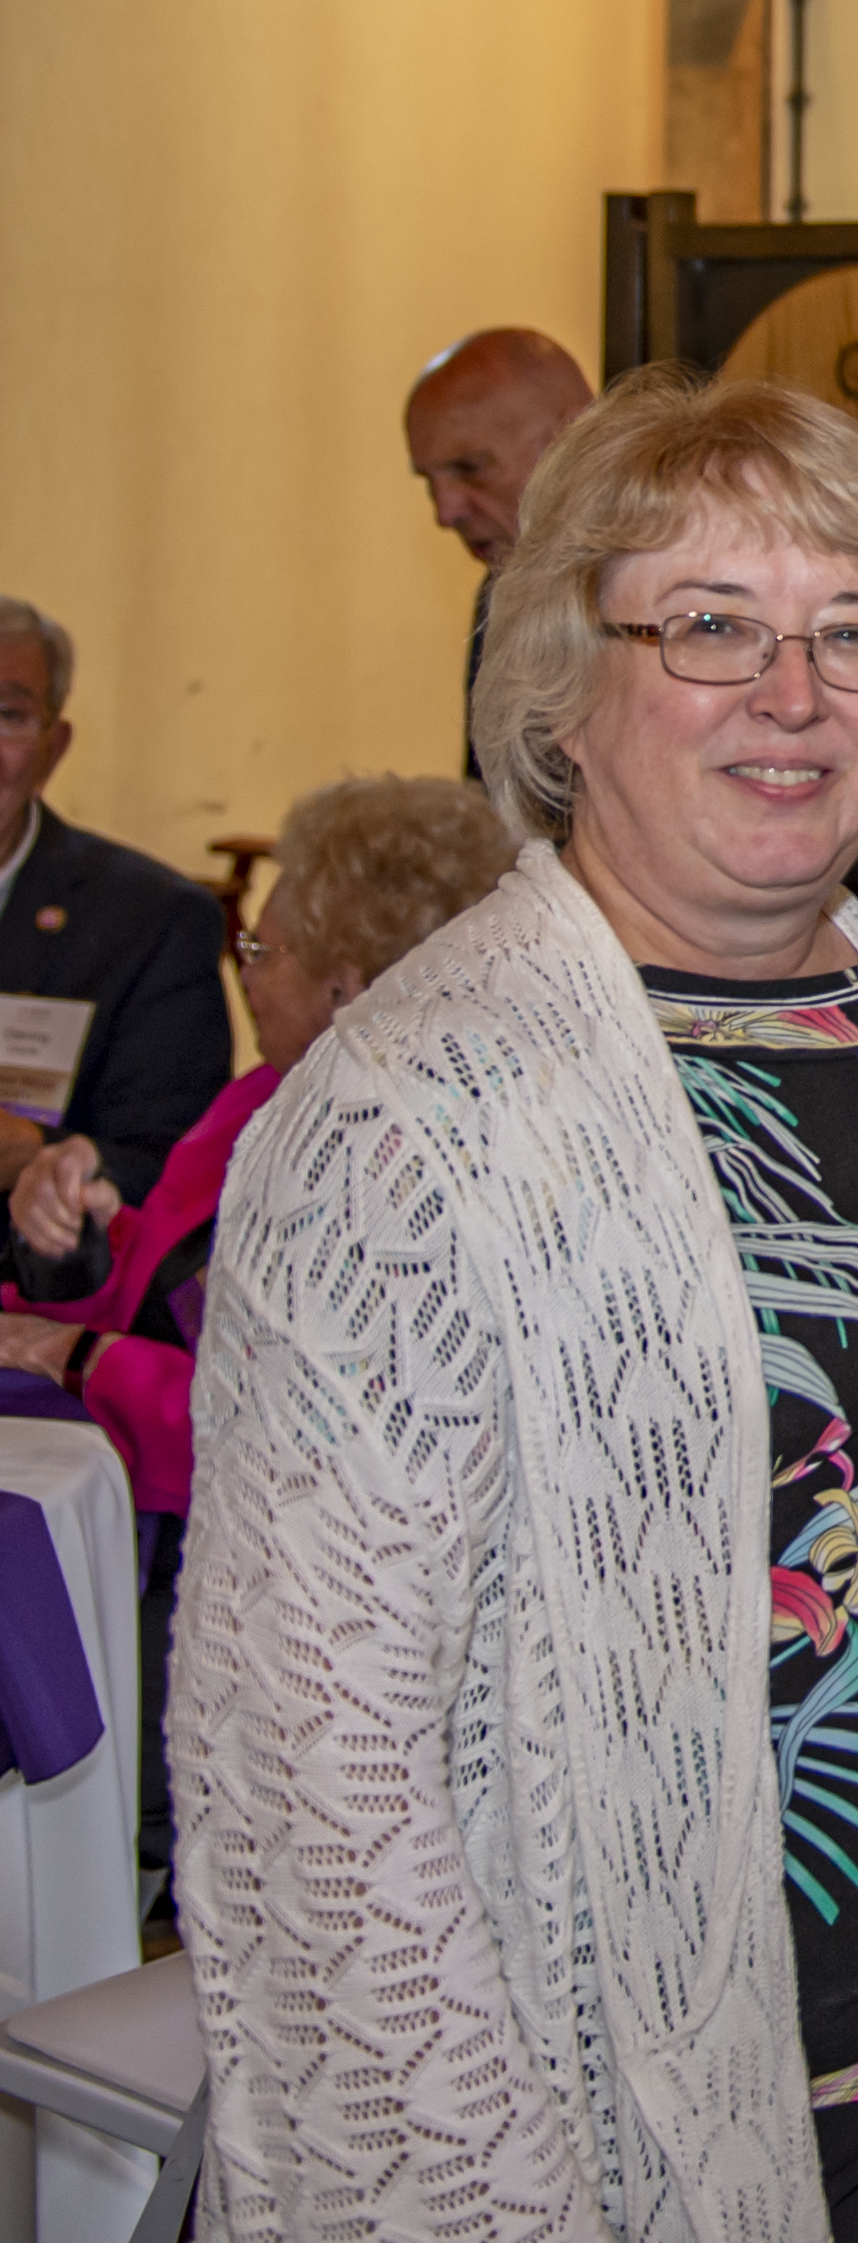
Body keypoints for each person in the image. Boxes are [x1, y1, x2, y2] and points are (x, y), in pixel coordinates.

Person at [173, 370, 858, 2240]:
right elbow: (313, 1779)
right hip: (598, 2127)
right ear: (560, 691)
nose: (793, 693)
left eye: (856, 632)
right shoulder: (406, 1114)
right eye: (708, 626)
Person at [0, 773, 511, 1907]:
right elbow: (153, 1290)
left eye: (263, 946)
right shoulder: (259, 1103)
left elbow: (286, 1432)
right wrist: (72, 1234)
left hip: (292, 1633)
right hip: (188, 1564)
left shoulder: (392, 1166)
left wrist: (81, 1363)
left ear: (347, 983)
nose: (245, 968)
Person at [0, 598, 231, 1202]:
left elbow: (175, 1172)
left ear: (55, 745)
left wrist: (36, 1157)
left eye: (7, 714)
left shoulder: (152, 923)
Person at [406, 325, 595, 773]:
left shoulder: (667, 583)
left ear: (571, 436)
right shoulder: (501, 595)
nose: (445, 512)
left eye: (471, 468)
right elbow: (497, 810)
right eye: (429, 482)